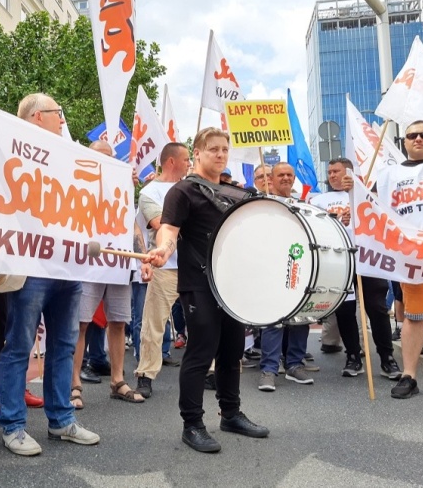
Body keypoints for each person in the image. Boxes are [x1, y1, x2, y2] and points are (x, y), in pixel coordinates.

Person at [147, 127, 269, 453]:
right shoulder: (183, 191)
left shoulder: (237, 192)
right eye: (212, 149)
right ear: (197, 153)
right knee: (201, 353)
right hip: (199, 282)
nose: (220, 154)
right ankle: (192, 424)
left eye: (224, 150)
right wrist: (163, 250)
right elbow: (169, 230)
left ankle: (230, 413)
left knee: (231, 353)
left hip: (233, 285)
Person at [0, 93, 99, 456]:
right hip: (32, 266)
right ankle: (12, 425)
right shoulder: (8, 145)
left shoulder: (67, 154)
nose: (63, 119)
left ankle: (61, 420)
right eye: (59, 112)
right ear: (38, 117)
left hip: (67, 265)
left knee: (64, 345)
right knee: (20, 345)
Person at [357, 120, 423, 398]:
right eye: (411, 135)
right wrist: (352, 190)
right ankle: (409, 376)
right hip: (414, 258)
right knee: (415, 318)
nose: (418, 139)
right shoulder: (387, 174)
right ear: (404, 141)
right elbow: (372, 208)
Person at [310, 157, 401, 380]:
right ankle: (352, 356)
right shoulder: (319, 199)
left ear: (349, 174)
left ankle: (387, 358)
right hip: (339, 263)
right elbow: (314, 228)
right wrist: (337, 220)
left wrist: (360, 210)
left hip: (367, 260)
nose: (332, 175)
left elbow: (382, 222)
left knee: (377, 309)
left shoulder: (366, 196)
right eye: (329, 171)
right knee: (345, 311)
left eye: (337, 171)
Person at [71, 140, 144, 409]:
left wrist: (142, 256)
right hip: (88, 262)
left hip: (119, 261)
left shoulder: (123, 184)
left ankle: (117, 381)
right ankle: (73, 384)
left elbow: (130, 221)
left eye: (110, 157)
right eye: (99, 156)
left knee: (119, 322)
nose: (106, 160)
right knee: (80, 322)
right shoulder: (76, 179)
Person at [134, 142, 190, 398]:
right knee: (154, 325)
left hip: (195, 266)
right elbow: (161, 223)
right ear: (171, 161)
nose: (190, 163)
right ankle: (146, 374)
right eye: (186, 158)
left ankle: (211, 371)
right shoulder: (150, 192)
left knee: (203, 323)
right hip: (165, 267)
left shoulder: (194, 186)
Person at [258, 162, 316, 392]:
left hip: (299, 266)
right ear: (271, 178)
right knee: (274, 318)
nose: (285, 178)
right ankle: (269, 370)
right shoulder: (262, 204)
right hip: (271, 267)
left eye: (289, 175)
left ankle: (294, 365)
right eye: (280, 174)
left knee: (301, 316)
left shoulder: (302, 205)